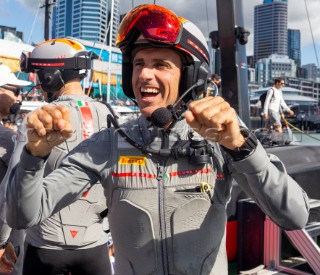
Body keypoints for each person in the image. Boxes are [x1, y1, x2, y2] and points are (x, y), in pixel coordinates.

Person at [6, 4, 309, 275]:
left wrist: (243, 147)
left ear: (191, 77)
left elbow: (294, 215)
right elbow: (23, 216)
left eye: (161, 64)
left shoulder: (223, 139)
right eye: (139, 64)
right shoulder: (108, 144)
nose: (145, 75)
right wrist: (34, 156)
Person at [1, 38, 115, 275]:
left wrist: (2, 241)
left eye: (39, 76)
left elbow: (11, 192)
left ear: (49, 77)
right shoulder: (108, 115)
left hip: (45, 247)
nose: (39, 85)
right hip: (96, 246)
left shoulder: (40, 120)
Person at [0, 64, 31, 274]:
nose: (19, 98)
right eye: (15, 90)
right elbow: (12, 192)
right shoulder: (8, 138)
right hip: (8, 241)